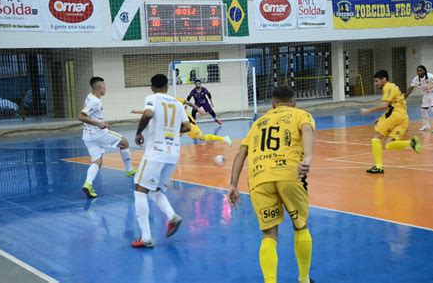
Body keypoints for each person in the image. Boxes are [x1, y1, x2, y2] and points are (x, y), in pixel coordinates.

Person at [228, 86, 315, 283]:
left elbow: (241, 152)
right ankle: (304, 279)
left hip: (259, 178)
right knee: (300, 226)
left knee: (269, 234)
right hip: (290, 174)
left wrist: (233, 184)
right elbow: (307, 129)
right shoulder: (300, 114)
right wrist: (308, 158)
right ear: (294, 103)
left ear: (273, 104)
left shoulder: (258, 123)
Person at [131, 74, 191, 248]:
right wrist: (172, 130)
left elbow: (148, 113)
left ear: (152, 86)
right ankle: (172, 216)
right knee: (155, 191)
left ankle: (146, 238)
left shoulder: (152, 98)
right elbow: (187, 126)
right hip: (173, 153)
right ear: (167, 85)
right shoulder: (177, 103)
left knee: (139, 191)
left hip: (156, 152)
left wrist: (138, 132)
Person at [78, 77, 137, 198]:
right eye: (104, 87)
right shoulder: (95, 101)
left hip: (88, 135)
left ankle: (87, 184)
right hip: (98, 134)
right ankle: (129, 170)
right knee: (124, 143)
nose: (105, 89)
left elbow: (89, 115)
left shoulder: (89, 96)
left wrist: (101, 121)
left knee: (97, 161)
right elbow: (81, 117)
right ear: (99, 88)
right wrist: (99, 124)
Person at [360, 70, 422, 174]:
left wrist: (368, 111)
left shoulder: (388, 87)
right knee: (387, 145)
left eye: (377, 81)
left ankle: (378, 167)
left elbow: (384, 106)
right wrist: (381, 118)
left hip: (395, 116)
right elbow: (393, 107)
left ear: (384, 79)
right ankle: (411, 143)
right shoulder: (393, 88)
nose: (375, 84)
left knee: (376, 138)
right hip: (403, 118)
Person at [131, 97, 232, 146]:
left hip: (188, 123)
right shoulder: (163, 105)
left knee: (202, 138)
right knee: (169, 138)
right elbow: (152, 111)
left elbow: (188, 102)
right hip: (177, 126)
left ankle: (224, 138)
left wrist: (198, 109)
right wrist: (138, 111)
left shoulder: (177, 100)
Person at [404, 65, 433, 133]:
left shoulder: (430, 76)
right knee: (423, 110)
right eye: (418, 70)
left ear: (424, 71)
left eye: (420, 70)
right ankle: (426, 125)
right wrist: (403, 98)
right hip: (426, 95)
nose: (419, 72)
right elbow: (409, 90)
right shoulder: (415, 79)